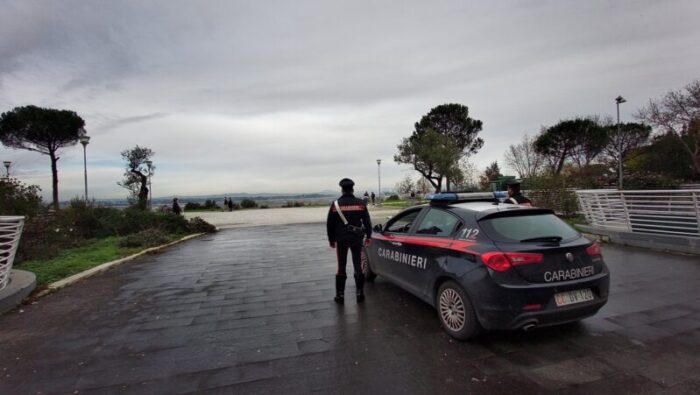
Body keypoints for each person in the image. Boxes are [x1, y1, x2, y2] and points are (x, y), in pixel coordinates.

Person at [326, 178, 372, 304]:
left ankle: (340, 295)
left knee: (341, 266)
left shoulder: (335, 205)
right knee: (358, 265)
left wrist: (331, 239)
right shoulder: (361, 203)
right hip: (357, 238)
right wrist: (368, 236)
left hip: (341, 239)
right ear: (352, 189)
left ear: (341, 189)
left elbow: (330, 224)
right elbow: (367, 221)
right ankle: (360, 293)